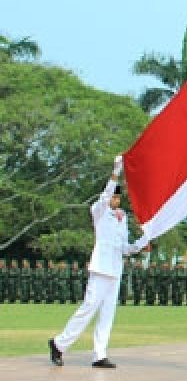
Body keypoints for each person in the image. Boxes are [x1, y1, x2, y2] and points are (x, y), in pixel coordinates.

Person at [49, 156, 147, 368]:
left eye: (118, 199)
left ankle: (99, 354)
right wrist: (116, 172)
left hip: (115, 269)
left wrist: (141, 243)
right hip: (101, 267)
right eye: (113, 197)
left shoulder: (122, 219)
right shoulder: (99, 211)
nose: (115, 201)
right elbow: (103, 197)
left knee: (108, 313)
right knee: (88, 308)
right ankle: (59, 344)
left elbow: (124, 248)